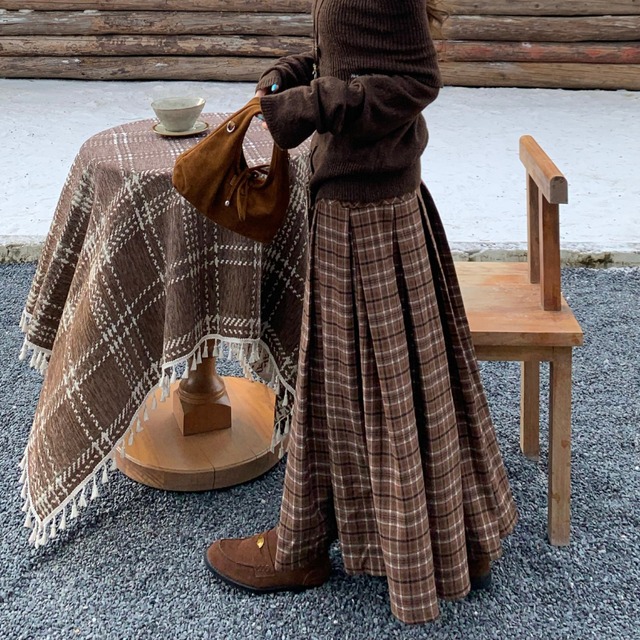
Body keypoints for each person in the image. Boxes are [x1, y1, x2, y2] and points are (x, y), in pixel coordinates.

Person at [205, 0, 518, 624]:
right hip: (369, 203)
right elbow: (354, 53)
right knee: (388, 386)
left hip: (366, 216)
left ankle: (304, 549)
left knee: (350, 388)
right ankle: (448, 534)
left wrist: (313, 105)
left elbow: (416, 80)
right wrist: (294, 73)